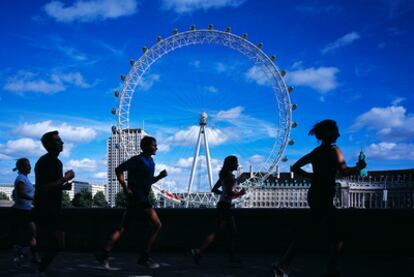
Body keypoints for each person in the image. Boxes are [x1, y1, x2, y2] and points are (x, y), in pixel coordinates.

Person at [272, 119, 366, 277]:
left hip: (315, 193)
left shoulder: (316, 152)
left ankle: (285, 263)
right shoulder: (334, 150)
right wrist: (359, 167)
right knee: (336, 233)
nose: (339, 133)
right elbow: (344, 172)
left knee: (313, 231)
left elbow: (294, 167)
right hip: (323, 195)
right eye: (336, 130)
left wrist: (312, 176)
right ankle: (329, 269)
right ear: (329, 133)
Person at [96, 136, 167, 269]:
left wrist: (159, 177)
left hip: (139, 199)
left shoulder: (151, 162)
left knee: (122, 228)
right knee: (157, 224)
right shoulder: (137, 160)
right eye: (154, 145)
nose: (156, 147)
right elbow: (118, 169)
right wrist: (125, 187)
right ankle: (144, 257)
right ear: (146, 146)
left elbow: (148, 181)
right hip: (139, 199)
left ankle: (104, 254)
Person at [191, 155, 246, 265]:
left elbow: (215, 189)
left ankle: (200, 251)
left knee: (224, 232)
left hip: (222, 205)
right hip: (225, 206)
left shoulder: (223, 175)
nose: (237, 165)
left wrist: (224, 194)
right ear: (231, 164)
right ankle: (199, 251)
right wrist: (240, 193)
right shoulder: (230, 177)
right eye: (236, 163)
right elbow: (230, 194)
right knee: (226, 233)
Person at [34, 131, 75, 274]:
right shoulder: (45, 162)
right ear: (49, 144)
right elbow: (43, 187)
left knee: (58, 243)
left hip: (54, 207)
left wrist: (64, 186)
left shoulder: (57, 162)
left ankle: (36, 263)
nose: (62, 142)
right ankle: (36, 263)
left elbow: (51, 185)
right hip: (46, 209)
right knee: (57, 243)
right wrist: (65, 179)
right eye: (58, 140)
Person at [10, 158, 38, 267]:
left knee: (30, 235)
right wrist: (33, 200)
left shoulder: (24, 178)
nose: (30, 167)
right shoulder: (21, 178)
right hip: (23, 211)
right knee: (32, 235)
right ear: (22, 167)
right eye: (27, 165)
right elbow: (21, 193)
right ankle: (26, 255)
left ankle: (27, 255)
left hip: (24, 210)